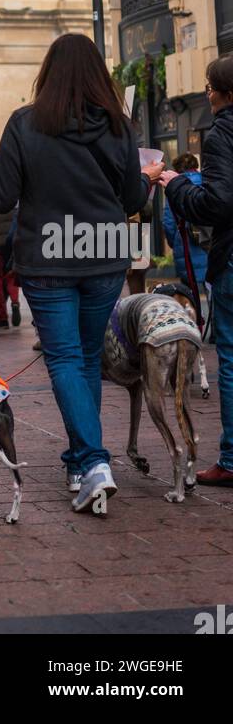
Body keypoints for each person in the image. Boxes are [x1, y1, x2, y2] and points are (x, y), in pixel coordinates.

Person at [0, 33, 162, 514]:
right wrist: (146, 178)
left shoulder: (25, 123)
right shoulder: (120, 127)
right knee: (83, 359)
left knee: (64, 359)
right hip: (105, 254)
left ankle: (93, 462)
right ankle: (82, 460)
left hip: (48, 255)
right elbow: (130, 200)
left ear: (49, 72)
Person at [163, 55, 233, 488]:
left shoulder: (222, 134)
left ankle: (231, 459)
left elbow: (218, 203)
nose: (206, 94)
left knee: (230, 358)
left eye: (209, 87)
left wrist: (177, 186)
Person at [162, 152, 209, 291]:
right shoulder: (207, 182)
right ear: (196, 166)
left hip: (185, 246)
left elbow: (169, 223)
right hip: (209, 245)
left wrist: (175, 243)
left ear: (177, 169)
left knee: (191, 294)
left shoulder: (174, 187)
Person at [0, 209, 21, 328]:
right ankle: (15, 302)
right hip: (11, 244)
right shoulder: (11, 200)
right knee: (11, 276)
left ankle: (2, 319)